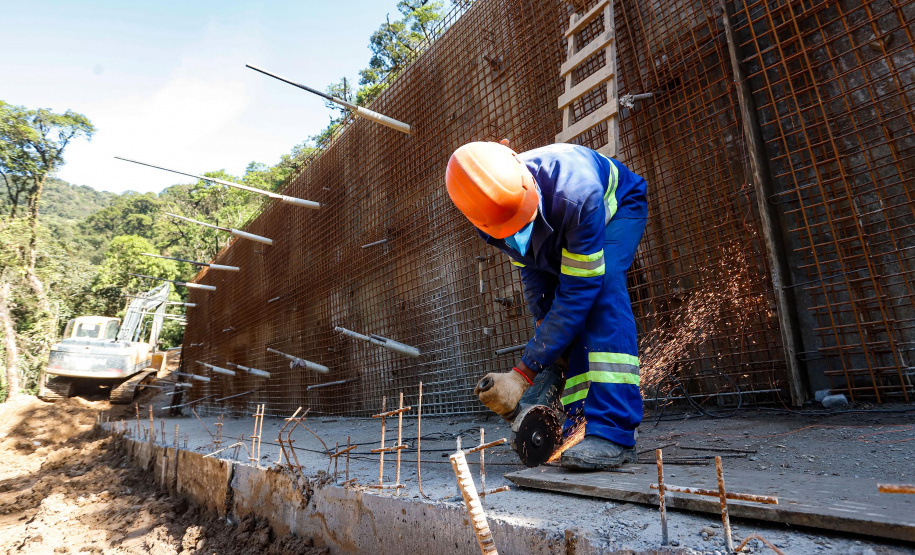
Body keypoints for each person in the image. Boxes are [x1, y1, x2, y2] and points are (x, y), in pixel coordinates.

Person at [445, 140, 647, 469]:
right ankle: (578, 424)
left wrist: (526, 370)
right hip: (557, 228)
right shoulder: (490, 209)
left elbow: (582, 288)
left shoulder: (578, 192)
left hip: (617, 209)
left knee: (603, 289)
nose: (518, 231)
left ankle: (614, 431)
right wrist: (546, 335)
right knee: (559, 320)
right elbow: (533, 276)